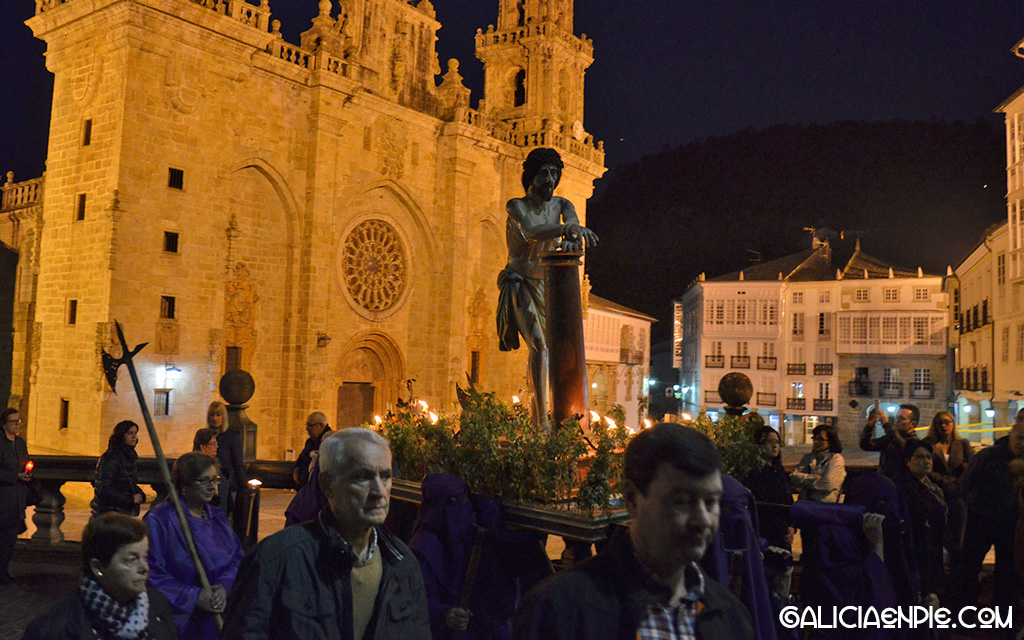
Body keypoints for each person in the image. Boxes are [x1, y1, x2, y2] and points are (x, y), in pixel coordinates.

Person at [512, 423, 753, 640]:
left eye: (711, 502)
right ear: (632, 499)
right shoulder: (560, 610)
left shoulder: (729, 615)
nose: (702, 520)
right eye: (681, 501)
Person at [222, 428, 430, 640]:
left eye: (385, 476)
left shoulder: (402, 563)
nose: (379, 492)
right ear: (328, 485)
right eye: (363, 477)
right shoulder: (275, 560)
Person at [496, 147, 598, 430]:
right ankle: (542, 424)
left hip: (548, 286)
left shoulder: (562, 205)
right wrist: (565, 232)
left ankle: (542, 410)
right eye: (544, 174)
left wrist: (572, 237)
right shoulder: (516, 205)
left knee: (548, 350)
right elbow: (532, 232)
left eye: (554, 174)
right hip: (520, 281)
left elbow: (574, 225)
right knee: (540, 347)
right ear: (531, 177)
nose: (550, 180)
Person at [22, 512, 178, 640]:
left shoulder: (157, 604)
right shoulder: (52, 630)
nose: (144, 568)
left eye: (144, 556)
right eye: (131, 560)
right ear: (97, 567)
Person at [145, 452, 242, 640]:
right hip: (181, 619)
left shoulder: (217, 517)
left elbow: (237, 559)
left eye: (215, 480)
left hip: (220, 613)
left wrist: (224, 588)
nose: (212, 487)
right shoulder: (161, 519)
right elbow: (150, 572)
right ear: (184, 485)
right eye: (203, 481)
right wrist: (193, 596)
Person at [957, 406, 1024, 609]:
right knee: (969, 567)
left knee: (1007, 572)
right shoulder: (989, 456)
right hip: (982, 519)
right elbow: (965, 484)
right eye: (1020, 437)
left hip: (1013, 524)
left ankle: (1002, 618)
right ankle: (964, 613)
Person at [741, 426, 794, 601]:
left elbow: (788, 502)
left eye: (777, 442)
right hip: (766, 532)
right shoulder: (754, 472)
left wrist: (792, 527)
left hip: (783, 533)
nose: (774, 446)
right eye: (769, 442)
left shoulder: (780, 472)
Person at [895, 439, 946, 605]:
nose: (926, 461)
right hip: (918, 551)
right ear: (908, 461)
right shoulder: (905, 487)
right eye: (919, 457)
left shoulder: (932, 485)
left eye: (929, 457)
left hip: (933, 547)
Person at [92, 420, 147, 517]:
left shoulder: (128, 456)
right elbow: (104, 490)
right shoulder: (110, 458)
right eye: (130, 433)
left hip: (123, 511)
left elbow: (128, 483)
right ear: (121, 435)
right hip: (111, 513)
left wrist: (140, 494)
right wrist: (130, 499)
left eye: (135, 433)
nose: (134, 437)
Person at [0, 407, 30, 585]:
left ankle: (4, 570)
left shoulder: (20, 442)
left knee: (11, 539)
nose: (17, 425)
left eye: (19, 421)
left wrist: (27, 473)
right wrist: (13, 476)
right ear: (4, 424)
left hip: (17, 498)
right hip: (3, 497)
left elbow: (25, 461)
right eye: (13, 421)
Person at [860, 404, 920, 478]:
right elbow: (866, 446)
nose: (897, 420)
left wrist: (886, 424)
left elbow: (901, 445)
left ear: (912, 424)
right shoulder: (890, 438)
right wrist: (869, 427)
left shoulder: (915, 443)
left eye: (901, 418)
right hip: (885, 483)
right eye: (896, 417)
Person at [790, 423, 846, 502]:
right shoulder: (808, 457)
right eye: (814, 438)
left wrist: (805, 483)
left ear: (830, 442)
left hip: (825, 507)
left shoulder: (836, 459)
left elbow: (828, 485)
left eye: (820, 439)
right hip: (805, 504)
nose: (816, 442)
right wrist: (815, 477)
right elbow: (793, 477)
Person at [208, 401, 245, 517]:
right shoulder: (206, 435)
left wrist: (243, 485)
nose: (215, 418)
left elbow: (238, 462)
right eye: (212, 415)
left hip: (226, 484)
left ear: (224, 417)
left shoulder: (232, 436)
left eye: (218, 415)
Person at [293, 411, 332, 487]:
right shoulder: (310, 442)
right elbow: (302, 458)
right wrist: (296, 468)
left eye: (310, 425)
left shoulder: (330, 442)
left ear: (321, 425)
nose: (307, 429)